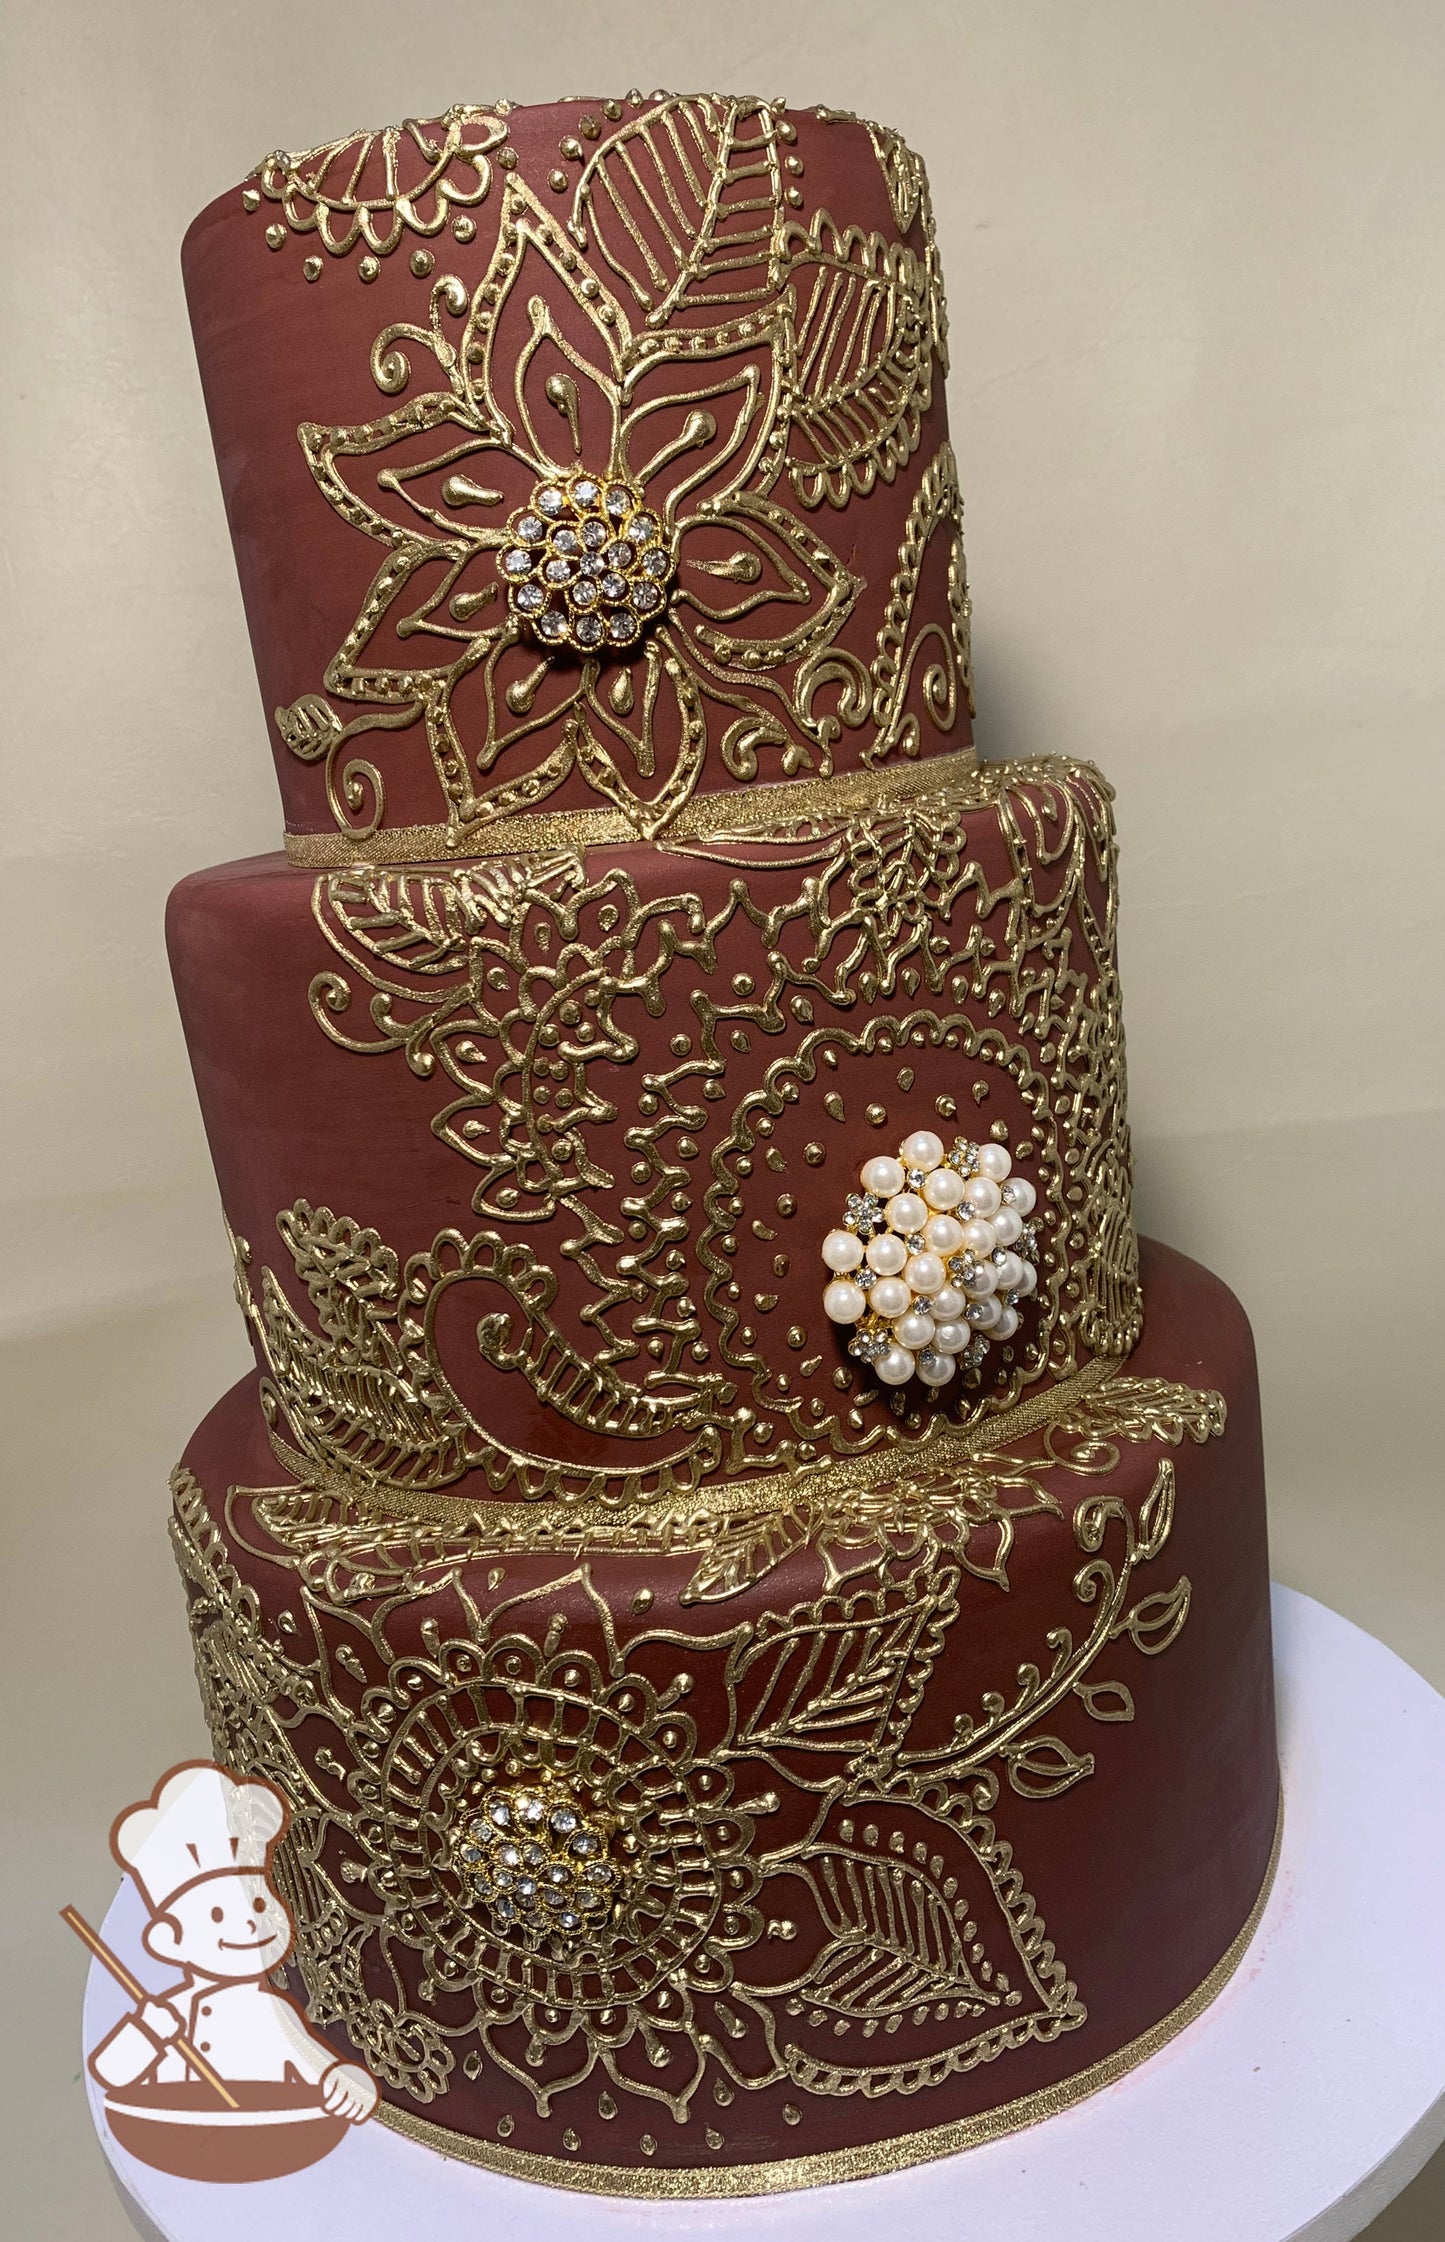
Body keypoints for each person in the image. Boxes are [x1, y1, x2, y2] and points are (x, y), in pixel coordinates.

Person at [88, 1761, 376, 2121]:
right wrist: (147, 2030)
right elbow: (111, 2070)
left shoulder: (278, 2013)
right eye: (214, 1917)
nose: (239, 1924)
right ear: (170, 1941)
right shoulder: (175, 2011)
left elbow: (319, 2075)